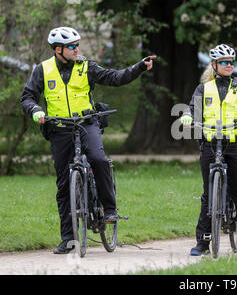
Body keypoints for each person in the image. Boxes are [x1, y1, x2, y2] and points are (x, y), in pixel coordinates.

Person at [21, 27, 154, 254]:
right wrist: (35, 111)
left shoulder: (86, 67)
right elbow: (27, 96)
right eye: (72, 46)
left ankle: (109, 209)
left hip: (86, 124)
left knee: (98, 159)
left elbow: (115, 77)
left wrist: (139, 67)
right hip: (59, 128)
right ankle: (68, 239)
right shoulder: (42, 69)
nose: (77, 49)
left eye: (77, 45)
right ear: (58, 49)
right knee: (63, 185)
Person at [181, 44, 237, 256]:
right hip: (210, 143)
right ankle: (203, 243)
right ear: (214, 65)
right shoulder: (204, 89)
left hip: (236, 144)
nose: (229, 65)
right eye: (224, 62)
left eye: (232, 62)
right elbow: (192, 108)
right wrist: (188, 116)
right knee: (207, 195)